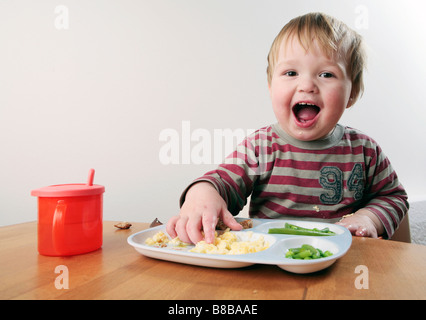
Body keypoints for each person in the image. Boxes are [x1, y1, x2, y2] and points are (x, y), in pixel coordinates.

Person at [166, 12, 409, 244]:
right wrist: (202, 194)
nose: (307, 85)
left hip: (343, 264)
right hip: (270, 264)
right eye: (291, 72)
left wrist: (369, 217)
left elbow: (393, 196)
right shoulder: (261, 147)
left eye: (326, 74)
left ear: (352, 93)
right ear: (271, 86)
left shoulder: (364, 151)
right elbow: (223, 183)